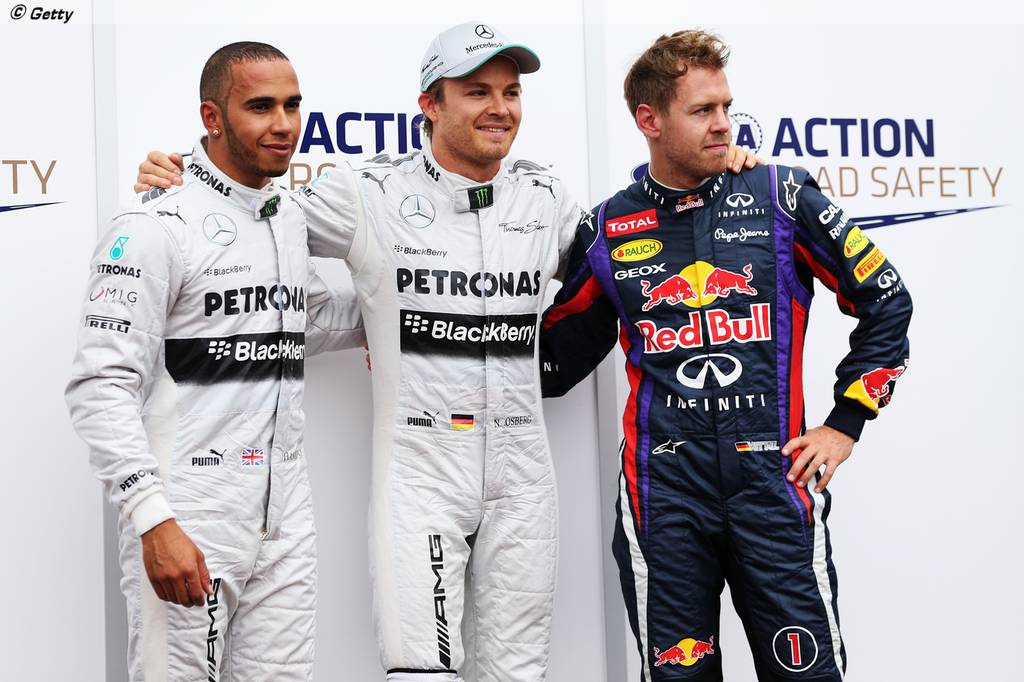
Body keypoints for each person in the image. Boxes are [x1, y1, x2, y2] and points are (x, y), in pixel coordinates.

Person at [135, 23, 759, 682]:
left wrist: (719, 179)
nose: (500, 108)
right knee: (420, 671)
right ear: (430, 104)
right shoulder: (367, 192)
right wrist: (177, 178)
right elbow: (248, 219)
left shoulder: (546, 198)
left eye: (511, 92)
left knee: (519, 673)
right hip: (420, 469)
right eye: (477, 92)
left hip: (523, 472)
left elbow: (639, 265)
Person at [539, 30, 912, 681]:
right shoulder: (607, 229)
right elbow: (555, 360)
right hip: (663, 497)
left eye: (725, 108)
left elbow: (886, 299)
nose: (723, 124)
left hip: (773, 487)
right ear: (650, 120)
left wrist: (846, 421)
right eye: (702, 110)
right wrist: (436, 340)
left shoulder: (782, 196)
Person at [66, 42, 364, 681]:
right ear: (212, 116)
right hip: (189, 509)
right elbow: (99, 384)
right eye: (260, 107)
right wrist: (153, 520)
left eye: (292, 106)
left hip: (285, 517)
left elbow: (305, 319)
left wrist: (411, 319)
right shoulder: (154, 222)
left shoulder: (285, 215)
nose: (283, 125)